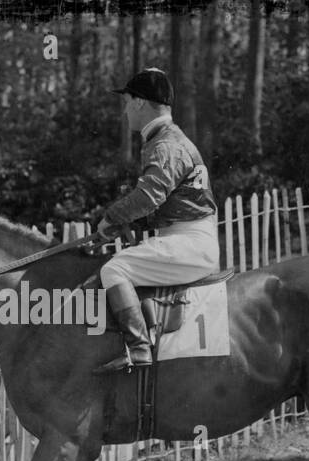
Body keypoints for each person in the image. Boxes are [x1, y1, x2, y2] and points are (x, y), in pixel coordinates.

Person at [94, 68, 219, 373]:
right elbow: (164, 202)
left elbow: (148, 197)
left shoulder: (166, 145)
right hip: (183, 236)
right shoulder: (163, 140)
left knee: (114, 269)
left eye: (126, 102)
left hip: (189, 242)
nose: (124, 111)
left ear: (139, 102)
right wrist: (130, 224)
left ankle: (138, 349)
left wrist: (110, 218)